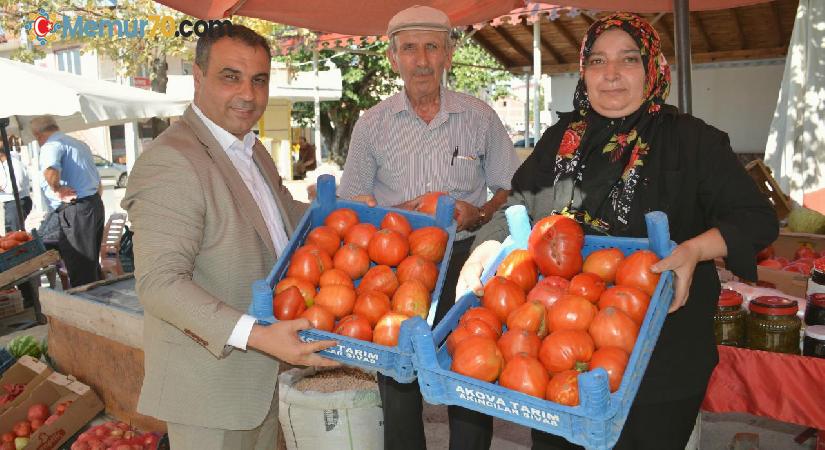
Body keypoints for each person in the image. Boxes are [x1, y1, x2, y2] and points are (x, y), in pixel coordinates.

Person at [458, 12, 779, 450]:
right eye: (597, 61)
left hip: (664, 355)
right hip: (561, 350)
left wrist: (695, 250)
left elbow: (755, 218)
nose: (611, 74)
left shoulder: (693, 141)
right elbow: (517, 204)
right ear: (584, 71)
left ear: (652, 69)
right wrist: (484, 251)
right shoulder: (560, 139)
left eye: (628, 59)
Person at [121, 25, 338, 450]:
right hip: (209, 392)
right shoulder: (171, 161)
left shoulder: (249, 147)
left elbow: (283, 221)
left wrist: (357, 216)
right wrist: (257, 335)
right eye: (230, 76)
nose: (248, 94)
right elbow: (159, 284)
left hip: (262, 380)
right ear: (198, 79)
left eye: (259, 80)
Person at [338, 6, 520, 450]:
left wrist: (478, 214)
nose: (421, 60)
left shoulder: (479, 116)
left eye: (432, 47)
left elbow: (510, 189)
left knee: (471, 373)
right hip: (398, 261)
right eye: (409, 49)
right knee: (398, 377)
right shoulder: (372, 125)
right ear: (393, 57)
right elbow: (349, 203)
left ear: (448, 55)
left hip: (468, 259)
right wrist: (402, 212)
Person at [31, 115, 105, 287]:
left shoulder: (52, 145)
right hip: (91, 204)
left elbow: (50, 170)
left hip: (76, 209)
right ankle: (96, 302)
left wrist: (57, 189)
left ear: (38, 135)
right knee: (90, 264)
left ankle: (87, 307)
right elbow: (96, 179)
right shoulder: (78, 143)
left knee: (80, 265)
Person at [0, 136, 31, 232]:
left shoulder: (14, 163)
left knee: (12, 235)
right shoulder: (3, 164)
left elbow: (15, 187)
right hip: (9, 203)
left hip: (16, 202)